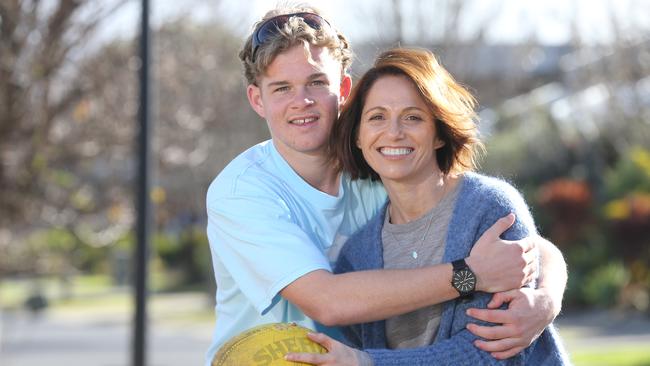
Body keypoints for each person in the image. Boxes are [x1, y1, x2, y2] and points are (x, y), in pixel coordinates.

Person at [205, 4, 567, 365]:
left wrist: (546, 298)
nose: (302, 102)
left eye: (317, 82)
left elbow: (522, 243)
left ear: (343, 88)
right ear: (257, 99)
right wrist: (469, 275)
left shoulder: (385, 167)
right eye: (282, 88)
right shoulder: (243, 193)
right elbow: (329, 302)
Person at [285, 48, 569, 365]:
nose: (393, 132)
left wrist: (369, 363)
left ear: (438, 133)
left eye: (413, 117)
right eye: (377, 117)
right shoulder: (357, 255)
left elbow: (495, 354)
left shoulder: (489, 209)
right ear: (358, 137)